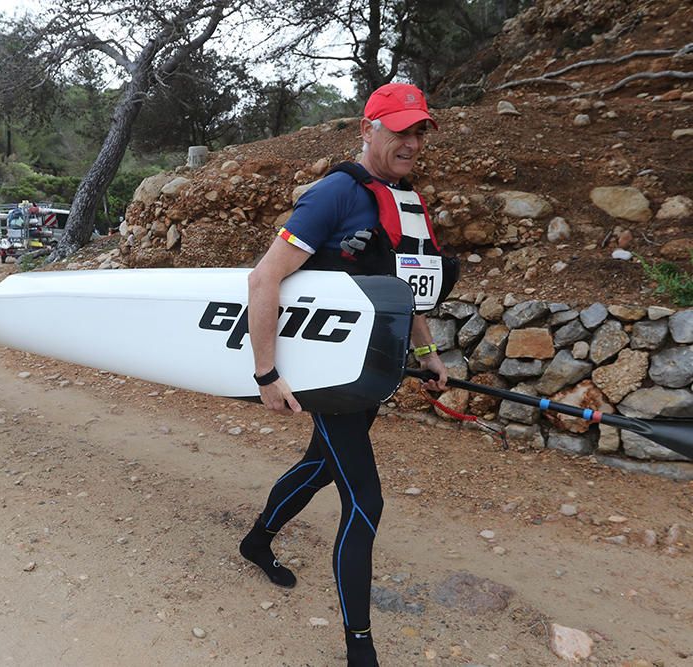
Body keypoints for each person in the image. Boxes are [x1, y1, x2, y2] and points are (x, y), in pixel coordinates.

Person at [237, 82, 455, 667]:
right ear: (368, 129)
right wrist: (267, 373)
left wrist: (429, 353)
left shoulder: (406, 199)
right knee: (366, 500)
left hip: (369, 372)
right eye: (399, 130)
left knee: (317, 468)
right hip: (326, 373)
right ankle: (360, 646)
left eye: (418, 132)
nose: (410, 142)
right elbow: (264, 280)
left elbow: (407, 290)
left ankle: (257, 540)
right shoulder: (335, 194)